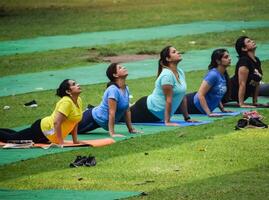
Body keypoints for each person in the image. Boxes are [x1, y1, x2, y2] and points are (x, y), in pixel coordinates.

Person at [0, 79, 83, 145]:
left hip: (45, 132)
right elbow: (57, 123)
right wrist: (60, 142)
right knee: (10, 139)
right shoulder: (66, 102)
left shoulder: (78, 100)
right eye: (74, 84)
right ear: (68, 91)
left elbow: (75, 121)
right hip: (42, 131)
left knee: (16, 135)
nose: (78, 85)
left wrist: (75, 141)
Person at [124, 45, 190, 126]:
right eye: (174, 52)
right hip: (147, 110)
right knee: (120, 117)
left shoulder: (180, 72)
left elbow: (182, 96)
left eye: (177, 51)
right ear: (168, 59)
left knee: (124, 111)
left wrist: (187, 118)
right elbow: (168, 100)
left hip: (155, 114)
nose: (178, 52)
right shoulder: (167, 76)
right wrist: (167, 121)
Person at [78, 63, 139, 137]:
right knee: (67, 130)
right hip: (91, 118)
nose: (124, 67)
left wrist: (131, 129)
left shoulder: (126, 88)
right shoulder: (113, 90)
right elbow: (111, 112)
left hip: (98, 120)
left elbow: (127, 110)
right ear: (115, 75)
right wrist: (112, 133)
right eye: (120, 68)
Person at [175, 48, 232, 116]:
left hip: (198, 107)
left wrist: (222, 109)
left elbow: (217, 94)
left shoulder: (223, 74)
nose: (230, 59)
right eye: (226, 57)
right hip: (191, 104)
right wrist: (209, 113)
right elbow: (200, 94)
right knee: (167, 109)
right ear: (218, 61)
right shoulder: (213, 75)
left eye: (229, 56)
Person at [228, 36, 268, 107]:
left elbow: (257, 82)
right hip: (228, 93)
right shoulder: (244, 61)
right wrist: (241, 103)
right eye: (249, 41)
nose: (252, 41)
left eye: (251, 40)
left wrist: (255, 102)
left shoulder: (256, 60)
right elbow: (242, 83)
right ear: (244, 48)